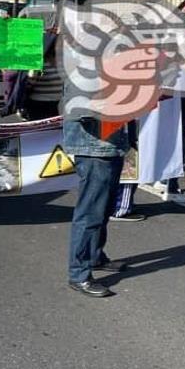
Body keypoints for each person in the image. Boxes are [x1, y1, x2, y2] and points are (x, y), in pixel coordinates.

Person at [62, 82, 135, 298]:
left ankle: (95, 256)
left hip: (108, 145)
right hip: (94, 147)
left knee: (103, 208)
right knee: (91, 212)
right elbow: (82, 109)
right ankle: (79, 274)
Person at [25, 31, 63, 120]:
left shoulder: (62, 62)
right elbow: (29, 83)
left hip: (59, 105)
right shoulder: (38, 64)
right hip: (40, 105)